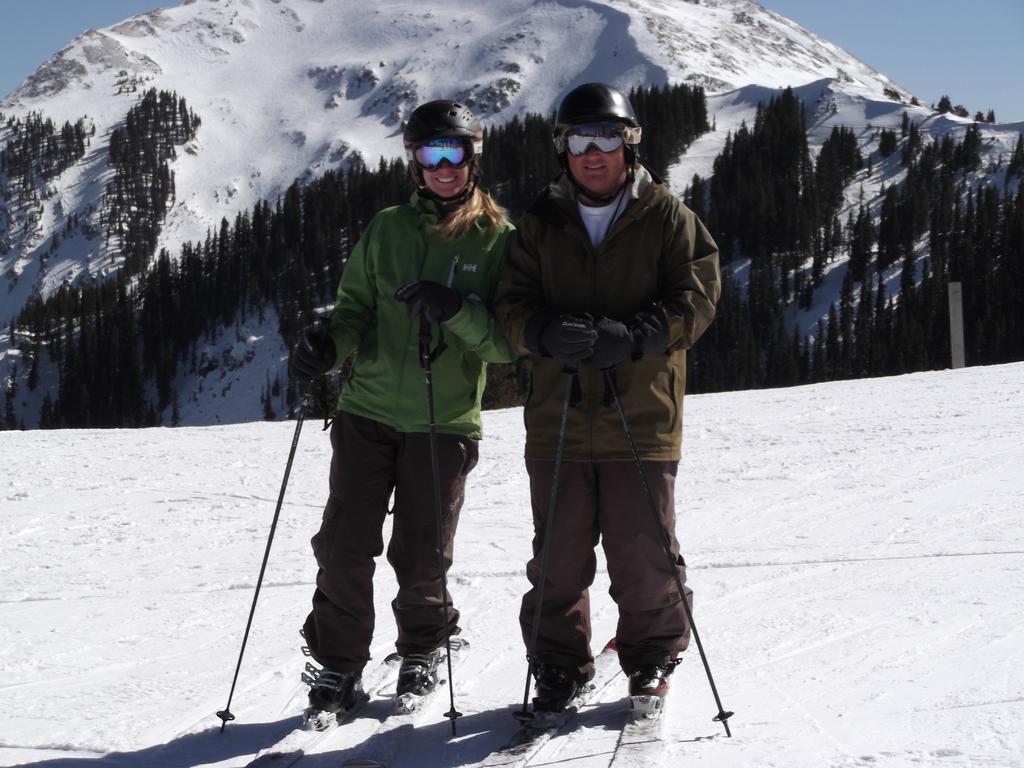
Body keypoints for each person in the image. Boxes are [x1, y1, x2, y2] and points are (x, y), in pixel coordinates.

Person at [494, 82, 721, 713]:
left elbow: (697, 299)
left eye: (607, 138)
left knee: (643, 549)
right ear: (562, 149)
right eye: (578, 140)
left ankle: (650, 657)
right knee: (558, 555)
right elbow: (510, 304)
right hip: (558, 416)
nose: (593, 153)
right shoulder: (539, 222)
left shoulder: (669, 217)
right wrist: (541, 331)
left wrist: (634, 336)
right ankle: (560, 664)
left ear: (630, 143)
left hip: (642, 414)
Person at [290, 99, 514, 723]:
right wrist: (324, 348)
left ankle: (425, 645)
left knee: (421, 552)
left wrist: (457, 309)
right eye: (429, 153)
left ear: (474, 156)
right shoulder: (386, 227)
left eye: (455, 152)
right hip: (366, 412)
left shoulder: (497, 239)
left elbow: (505, 342)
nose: (444, 166)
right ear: (413, 161)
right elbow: (354, 311)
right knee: (342, 544)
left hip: (443, 420)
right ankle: (338, 662)